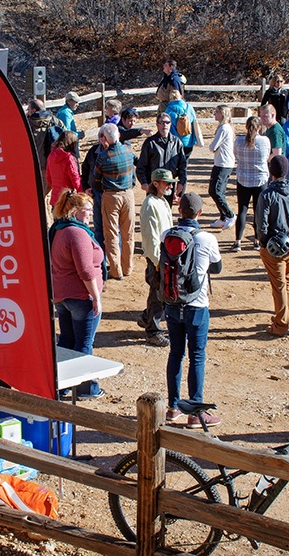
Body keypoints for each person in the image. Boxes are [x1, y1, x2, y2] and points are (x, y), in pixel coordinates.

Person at [163, 192, 222, 427]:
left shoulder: (167, 234)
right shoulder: (207, 238)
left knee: (175, 353)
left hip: (172, 302)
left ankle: (172, 406)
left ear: (179, 212)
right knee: (197, 355)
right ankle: (195, 411)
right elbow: (216, 268)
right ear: (200, 213)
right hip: (196, 304)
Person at [49, 189, 106, 399]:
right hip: (81, 297)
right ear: (75, 210)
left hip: (62, 296)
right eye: (87, 210)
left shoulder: (59, 229)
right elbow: (85, 270)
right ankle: (86, 388)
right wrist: (96, 297)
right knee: (83, 343)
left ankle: (61, 384)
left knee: (66, 341)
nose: (91, 214)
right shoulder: (77, 233)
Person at [255, 155, 289, 336]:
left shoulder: (267, 195)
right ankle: (285, 315)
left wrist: (263, 243)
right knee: (287, 282)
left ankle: (281, 324)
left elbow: (261, 225)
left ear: (271, 172)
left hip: (274, 246)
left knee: (278, 285)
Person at [137, 169, 177, 347]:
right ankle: (153, 332)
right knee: (157, 294)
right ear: (155, 184)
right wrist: (157, 261)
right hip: (157, 257)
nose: (170, 186)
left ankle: (146, 318)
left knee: (161, 292)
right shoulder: (150, 205)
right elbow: (150, 237)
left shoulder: (162, 202)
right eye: (166, 183)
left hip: (163, 255)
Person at [93, 123, 136, 280]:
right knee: (128, 233)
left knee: (111, 234)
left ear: (104, 138)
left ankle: (116, 270)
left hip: (111, 195)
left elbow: (96, 179)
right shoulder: (128, 150)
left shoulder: (103, 156)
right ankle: (127, 266)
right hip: (128, 194)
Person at [232, 116, 271, 252]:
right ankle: (256, 240)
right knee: (258, 211)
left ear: (246, 127)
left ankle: (238, 241)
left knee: (242, 210)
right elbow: (266, 157)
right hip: (260, 179)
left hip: (243, 178)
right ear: (259, 127)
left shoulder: (238, 141)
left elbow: (236, 155)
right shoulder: (264, 141)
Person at [136, 112, 187, 205]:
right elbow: (141, 166)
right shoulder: (150, 143)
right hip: (154, 186)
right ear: (157, 125)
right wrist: (144, 183)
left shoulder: (177, 142)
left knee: (166, 212)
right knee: (153, 213)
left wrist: (181, 182)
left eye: (167, 122)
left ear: (170, 124)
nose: (165, 125)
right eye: (162, 122)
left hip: (169, 186)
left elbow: (182, 165)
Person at [208, 105, 236, 229]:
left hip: (223, 164)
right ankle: (223, 217)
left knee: (216, 191)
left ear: (222, 114)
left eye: (216, 112)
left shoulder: (224, 128)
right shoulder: (224, 127)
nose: (214, 114)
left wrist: (213, 147)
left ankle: (230, 215)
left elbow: (212, 147)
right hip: (221, 162)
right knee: (217, 191)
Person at [27, 99, 66, 182]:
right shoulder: (55, 121)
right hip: (55, 161)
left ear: (33, 110)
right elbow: (67, 137)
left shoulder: (28, 124)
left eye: (28, 109)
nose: (27, 111)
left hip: (36, 164)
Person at [46, 131, 81, 208]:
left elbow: (48, 178)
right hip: (67, 198)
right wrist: (81, 194)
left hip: (55, 198)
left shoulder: (51, 156)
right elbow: (75, 180)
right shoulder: (69, 158)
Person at [165, 89, 200, 162]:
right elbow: (194, 121)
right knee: (184, 164)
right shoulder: (189, 107)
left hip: (175, 142)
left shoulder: (168, 110)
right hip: (189, 140)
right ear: (181, 96)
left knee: (174, 164)